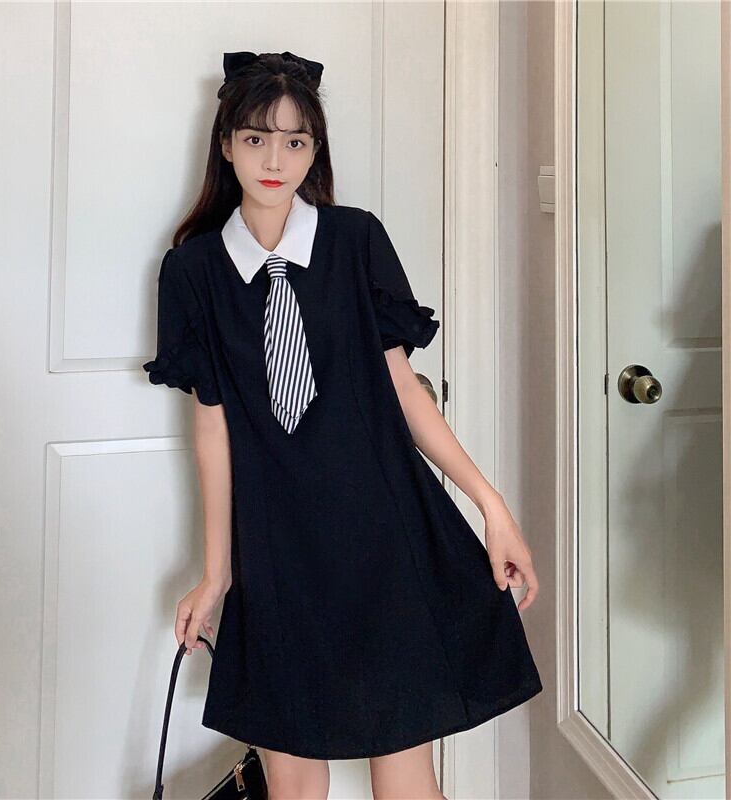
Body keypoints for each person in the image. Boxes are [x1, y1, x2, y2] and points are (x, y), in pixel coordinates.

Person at [143, 50, 543, 800]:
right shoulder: (193, 272)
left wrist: (494, 508)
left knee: (406, 783)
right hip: (277, 550)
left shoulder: (356, 241)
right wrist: (217, 573)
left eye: (295, 141)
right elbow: (213, 432)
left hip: (384, 535)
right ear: (225, 144)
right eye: (256, 138)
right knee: (294, 786)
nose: (275, 160)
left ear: (314, 150)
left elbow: (403, 391)